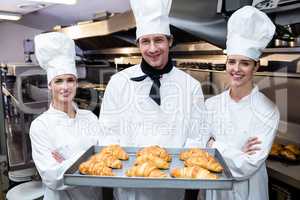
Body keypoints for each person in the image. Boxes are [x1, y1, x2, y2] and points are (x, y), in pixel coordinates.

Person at [99, 0, 208, 199]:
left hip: (173, 189)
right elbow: (108, 137)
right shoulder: (118, 82)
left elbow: (196, 140)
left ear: (170, 41)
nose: (152, 49)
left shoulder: (190, 87)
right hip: (129, 188)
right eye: (145, 41)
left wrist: (189, 193)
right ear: (138, 44)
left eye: (158, 40)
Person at [205, 6, 280, 200]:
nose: (236, 69)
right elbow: (198, 148)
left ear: (256, 66)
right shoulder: (211, 105)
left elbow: (247, 166)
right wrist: (238, 152)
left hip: (251, 191)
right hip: (215, 188)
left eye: (244, 63)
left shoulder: (267, 110)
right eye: (232, 62)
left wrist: (215, 145)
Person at [29, 32, 103, 200]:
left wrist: (67, 162)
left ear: (76, 83)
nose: (65, 87)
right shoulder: (41, 126)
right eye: (58, 81)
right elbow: (52, 177)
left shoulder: (90, 118)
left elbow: (105, 157)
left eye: (70, 80)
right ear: (50, 85)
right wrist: (91, 159)